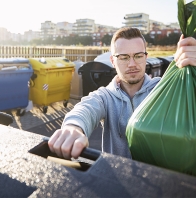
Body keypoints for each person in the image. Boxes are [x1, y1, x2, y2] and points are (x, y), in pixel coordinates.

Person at [48, 27, 196, 160]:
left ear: (146, 57)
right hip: (118, 182)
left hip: (158, 182)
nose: (132, 64)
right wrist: (73, 128)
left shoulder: (162, 89)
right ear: (113, 61)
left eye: (138, 56)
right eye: (124, 57)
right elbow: (86, 109)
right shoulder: (105, 97)